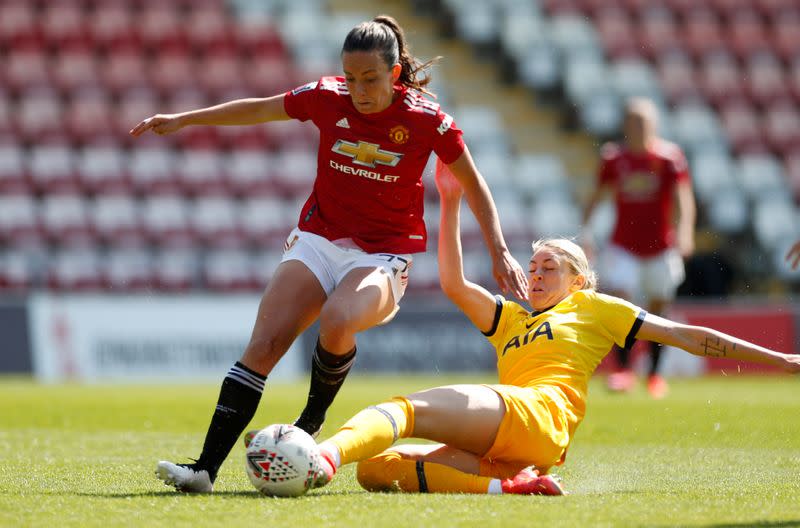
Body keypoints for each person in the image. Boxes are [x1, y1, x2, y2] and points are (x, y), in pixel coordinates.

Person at [129, 15, 527, 493]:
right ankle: (203, 470)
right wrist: (184, 119)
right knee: (264, 346)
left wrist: (499, 249)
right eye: (352, 77)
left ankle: (311, 421)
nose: (358, 89)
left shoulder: (426, 120)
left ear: (395, 73)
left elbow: (474, 183)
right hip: (319, 239)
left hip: (384, 256)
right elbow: (259, 109)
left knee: (338, 319)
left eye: (371, 79)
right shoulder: (327, 96)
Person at [293, 161, 799, 495]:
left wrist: (779, 360)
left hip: (538, 414)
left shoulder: (596, 307)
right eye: (532, 267)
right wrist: (449, 202)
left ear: (578, 279)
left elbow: (688, 337)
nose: (535, 274)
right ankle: (509, 488)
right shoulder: (512, 317)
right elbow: (453, 282)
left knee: (403, 410)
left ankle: (321, 456)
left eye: (548, 267)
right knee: (378, 470)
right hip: (519, 443)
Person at [581, 97, 696, 398]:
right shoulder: (613, 158)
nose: (638, 127)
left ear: (654, 125)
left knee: (659, 307)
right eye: (633, 122)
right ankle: (623, 371)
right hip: (623, 246)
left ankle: (656, 375)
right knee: (622, 302)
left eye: (643, 122)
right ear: (625, 125)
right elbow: (598, 195)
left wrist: (684, 231)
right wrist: (586, 232)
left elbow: (683, 197)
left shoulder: (670, 157)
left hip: (661, 246)